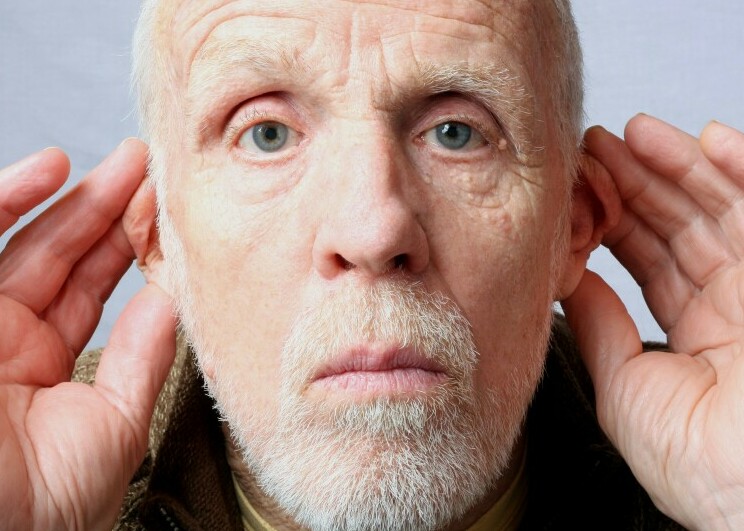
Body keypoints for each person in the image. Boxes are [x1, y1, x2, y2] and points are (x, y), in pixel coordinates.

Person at [0, 0, 742, 529]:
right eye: (264, 133)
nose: (373, 226)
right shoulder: (32, 473)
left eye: (456, 131)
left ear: (571, 227)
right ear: (161, 233)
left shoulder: (715, 457)